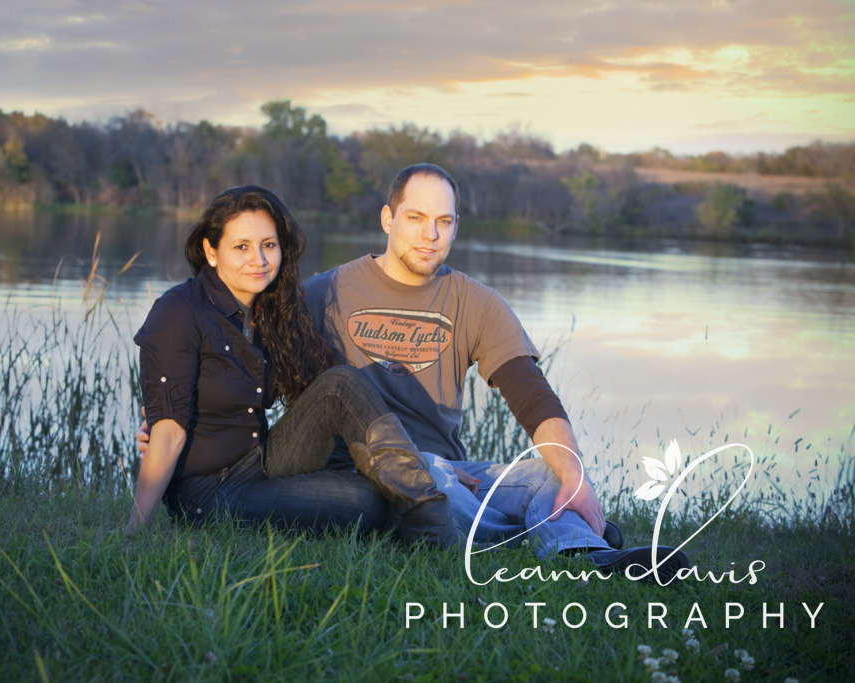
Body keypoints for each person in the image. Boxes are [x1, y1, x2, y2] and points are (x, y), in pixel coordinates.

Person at [301, 164, 690, 582]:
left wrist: (574, 476)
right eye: (415, 218)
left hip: (453, 472)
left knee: (545, 474)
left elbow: (533, 398)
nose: (431, 235)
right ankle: (531, 534)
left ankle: (586, 553)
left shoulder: (476, 302)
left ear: (455, 227)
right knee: (431, 475)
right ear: (387, 219)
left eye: (443, 222)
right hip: (366, 472)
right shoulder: (325, 292)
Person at [126, 185, 459, 548]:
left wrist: (423, 462)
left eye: (268, 245)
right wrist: (135, 531)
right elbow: (169, 433)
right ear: (211, 251)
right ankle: (439, 533)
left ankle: (435, 523)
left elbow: (327, 400)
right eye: (241, 247)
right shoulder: (178, 311)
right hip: (207, 494)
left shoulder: (270, 311)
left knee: (340, 384)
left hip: (260, 462)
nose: (259, 260)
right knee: (364, 502)